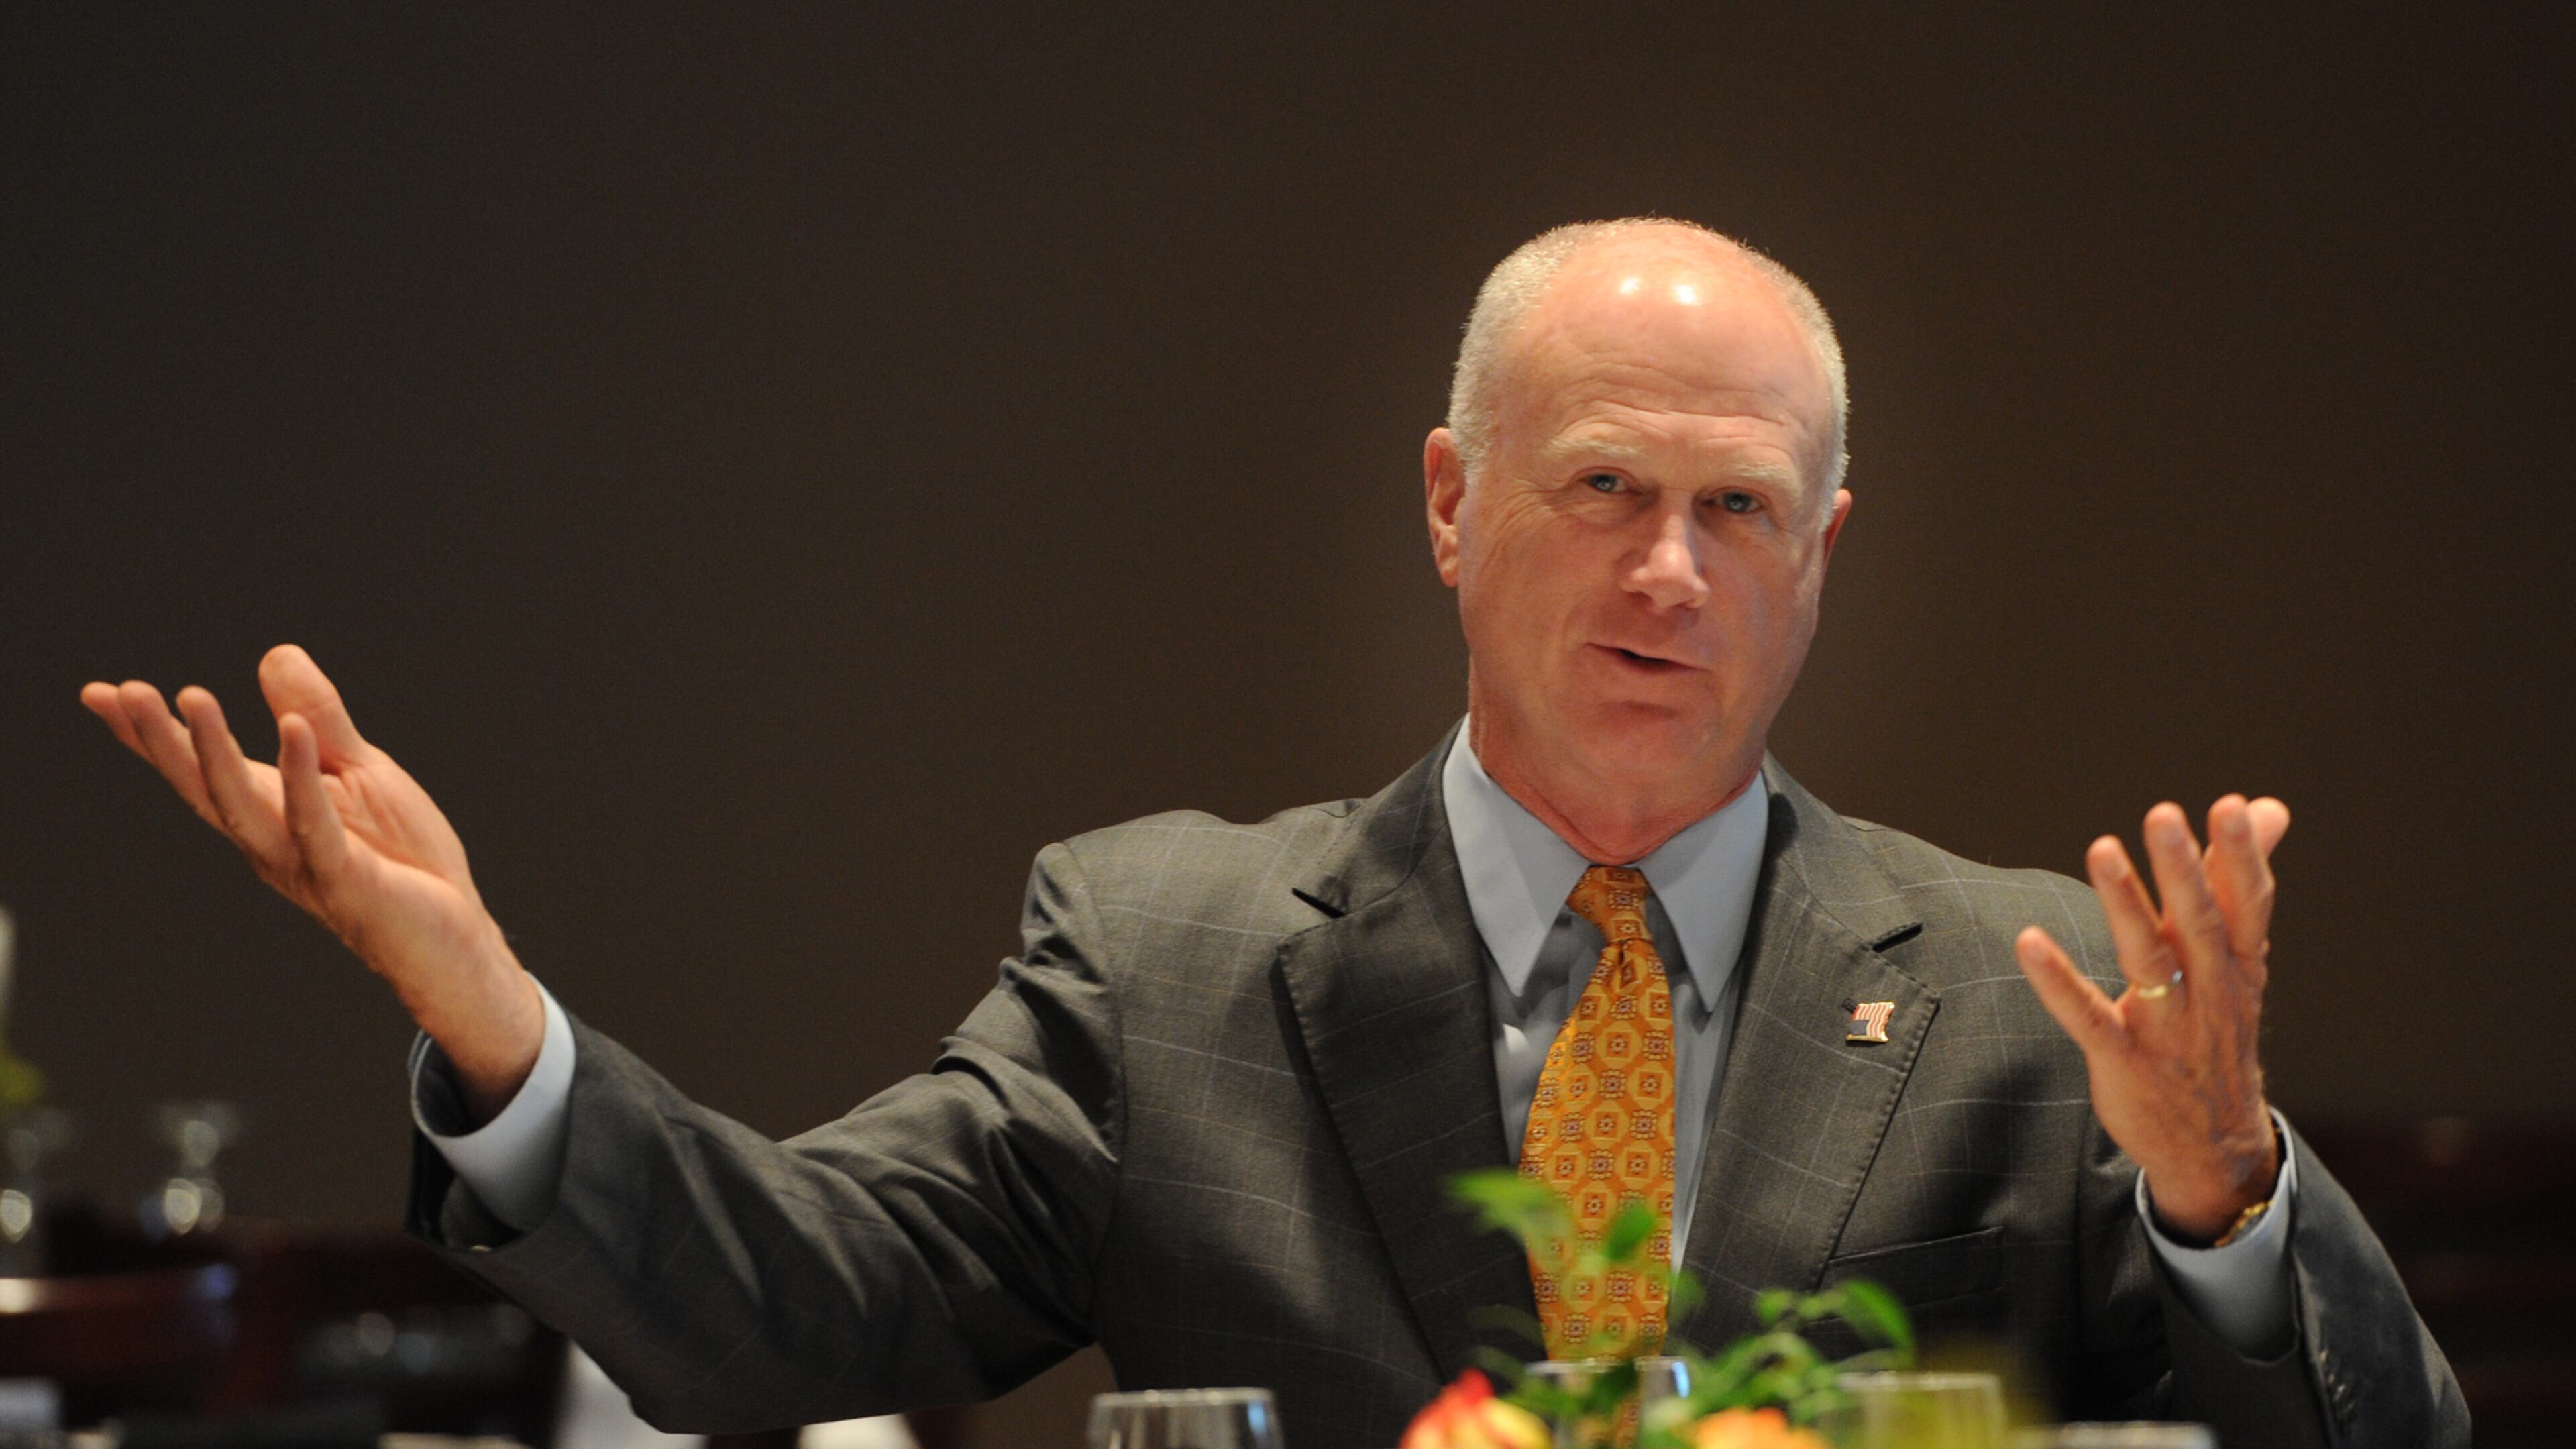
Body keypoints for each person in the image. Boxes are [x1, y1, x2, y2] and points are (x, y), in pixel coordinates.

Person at [84, 219, 2465, 1447]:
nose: (1669, 571)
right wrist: (491, 1022)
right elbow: (782, 1310)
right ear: (1451, 507)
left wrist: (2223, 1198)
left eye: (1742, 507)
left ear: (1829, 545)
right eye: (1603, 487)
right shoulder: (1170, 953)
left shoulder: (2037, 991)